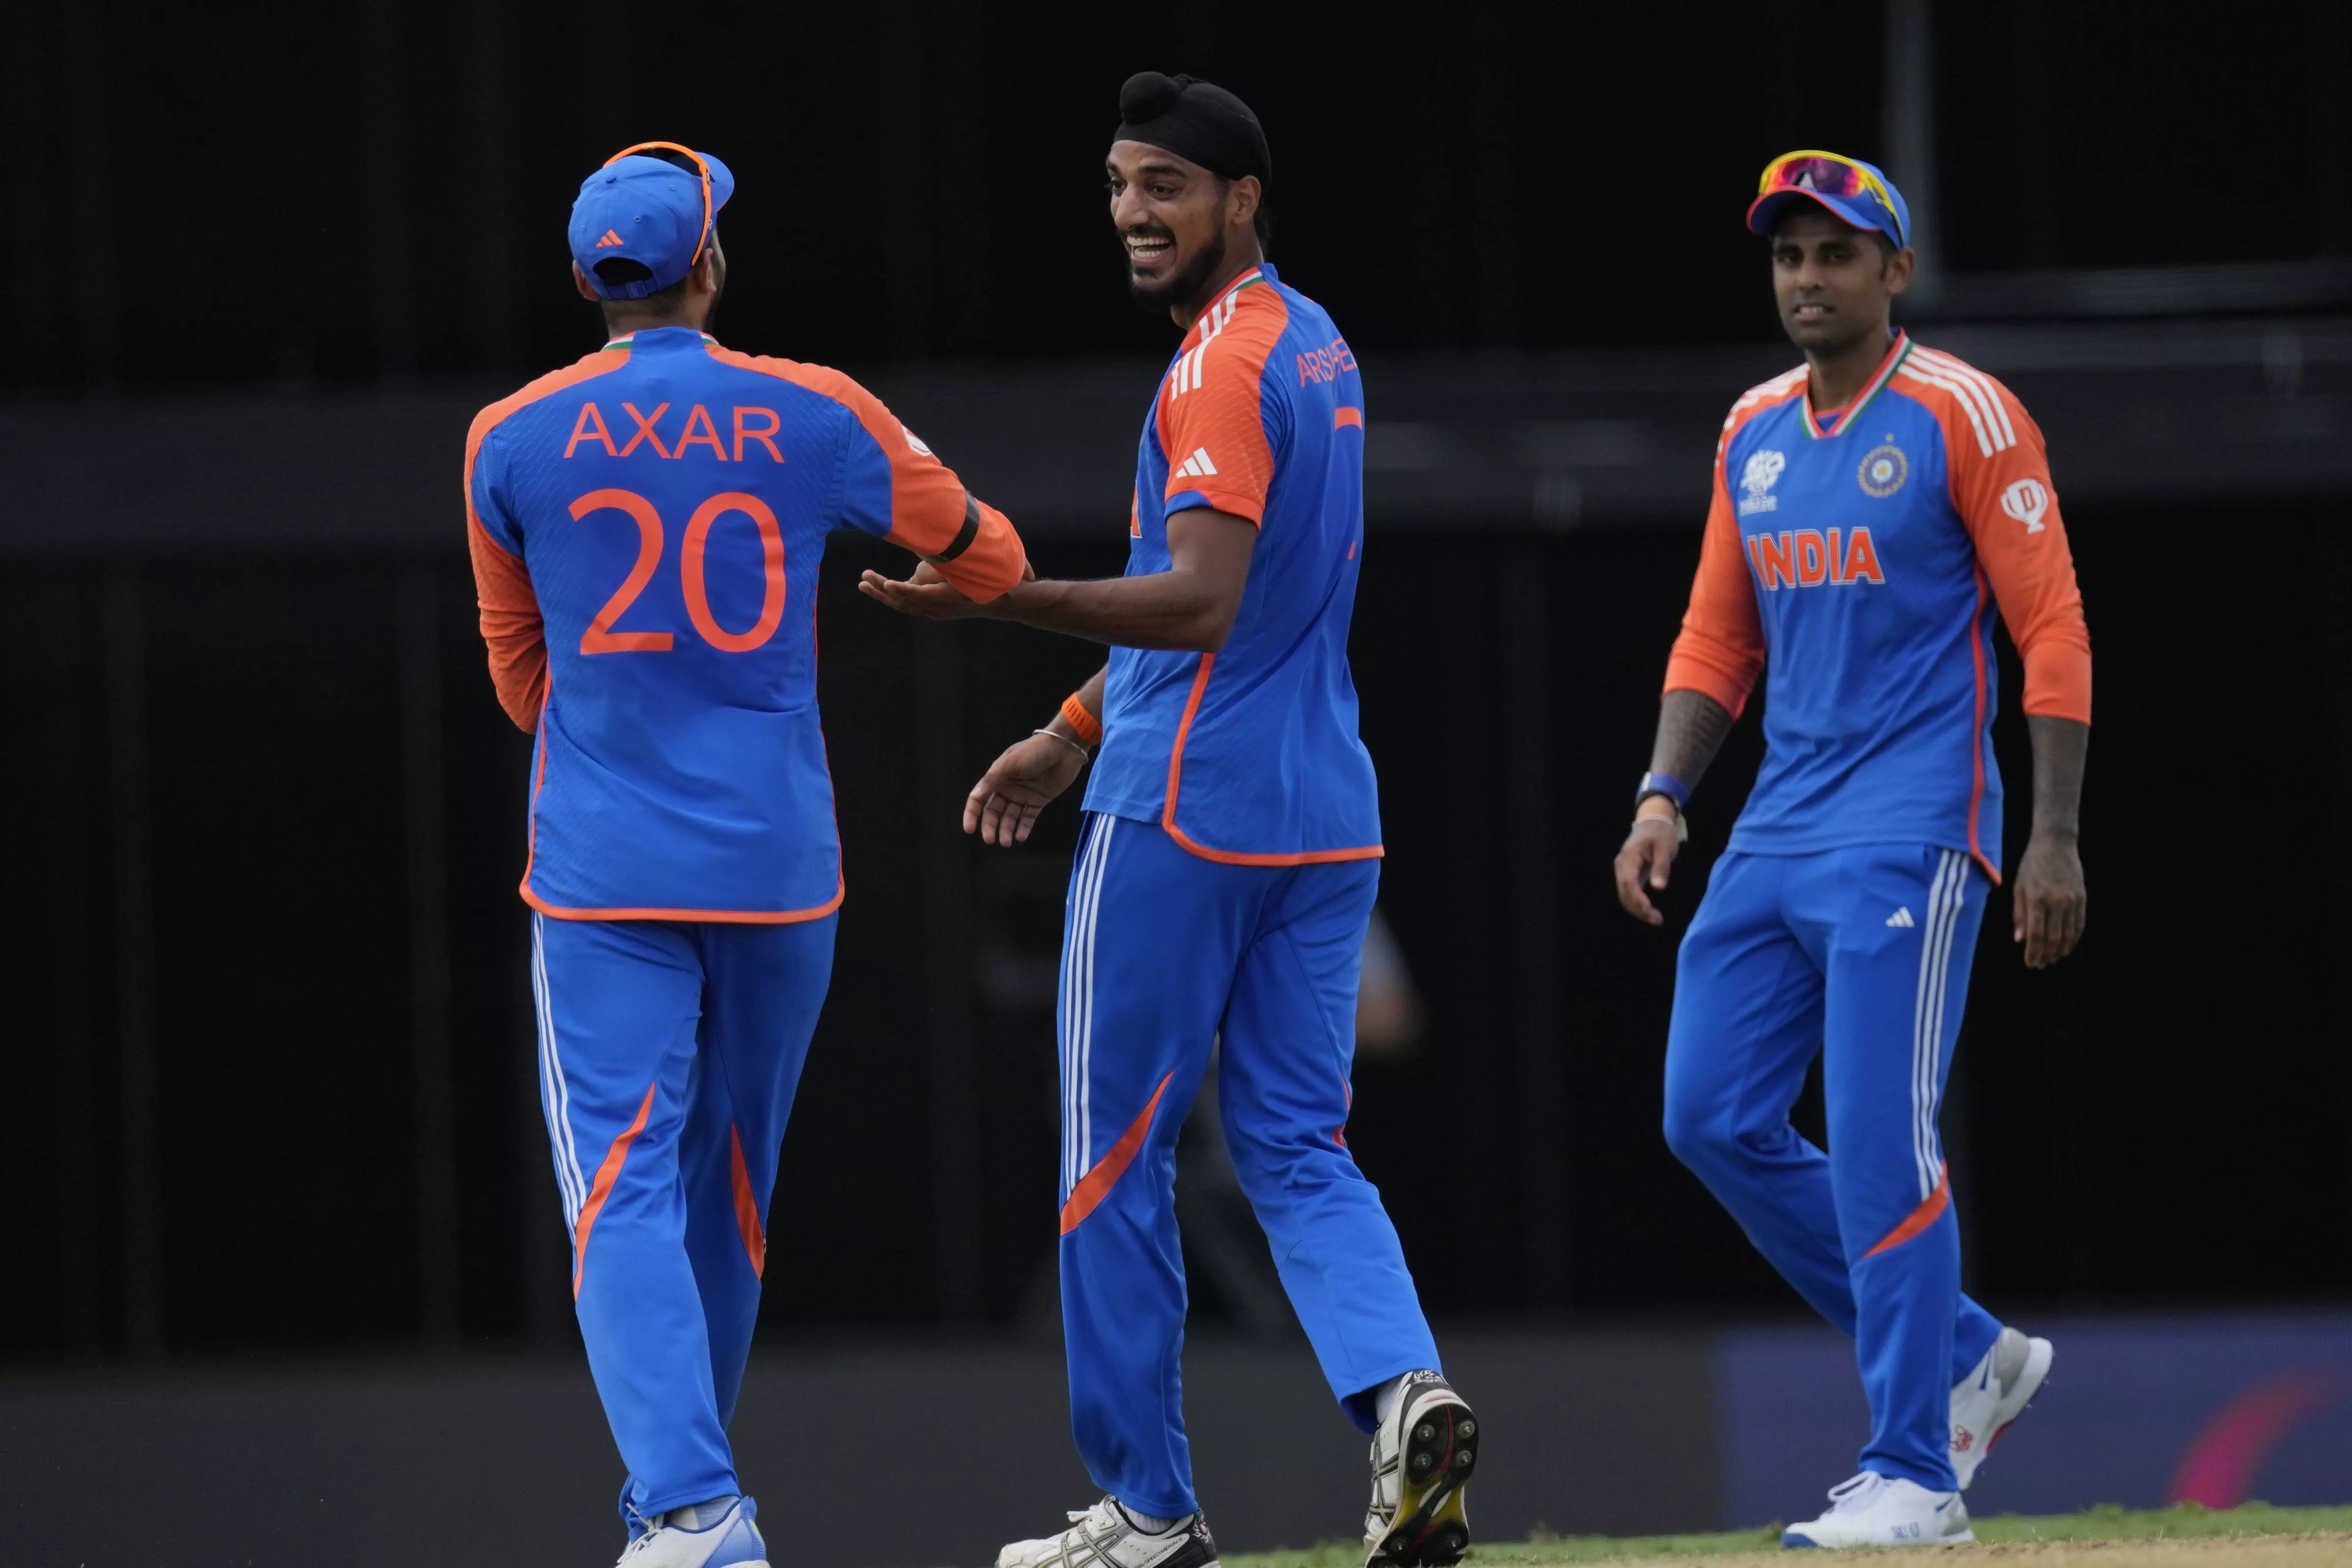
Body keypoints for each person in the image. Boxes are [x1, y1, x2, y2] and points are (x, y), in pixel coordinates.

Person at [860, 72, 1477, 1568]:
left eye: (1166, 188)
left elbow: (1199, 600)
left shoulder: (1214, 370)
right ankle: (1406, 1399)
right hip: (1324, 816)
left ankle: (1145, 1508)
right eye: (1121, 186)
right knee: (1299, 1145)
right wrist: (1074, 729)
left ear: (1241, 200)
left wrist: (1004, 601)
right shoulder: (1317, 344)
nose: (1134, 213)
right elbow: (1249, 601)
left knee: (1109, 1154)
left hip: (1187, 817)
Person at [465, 142, 1027, 1568]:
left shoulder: (508, 439)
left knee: (622, 1187)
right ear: (707, 264)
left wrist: (618, 705)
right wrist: (928, 578)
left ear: (595, 283)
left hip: (602, 870)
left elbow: (520, 683)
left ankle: (691, 1511)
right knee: (727, 1184)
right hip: (778, 866)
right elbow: (992, 560)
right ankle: (687, 1513)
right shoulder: (809, 411)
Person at [1611, 151, 2089, 1549]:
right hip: (1775, 827)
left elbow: (2049, 626)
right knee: (1706, 1115)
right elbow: (1718, 635)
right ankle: (1966, 1349)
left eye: (1836, 254)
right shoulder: (1751, 426)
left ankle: (1917, 1473)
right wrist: (1659, 797)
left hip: (1913, 827)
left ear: (1898, 272)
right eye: (1787, 257)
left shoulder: (1963, 413)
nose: (1807, 280)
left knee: (1884, 1140)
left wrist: (2051, 834)